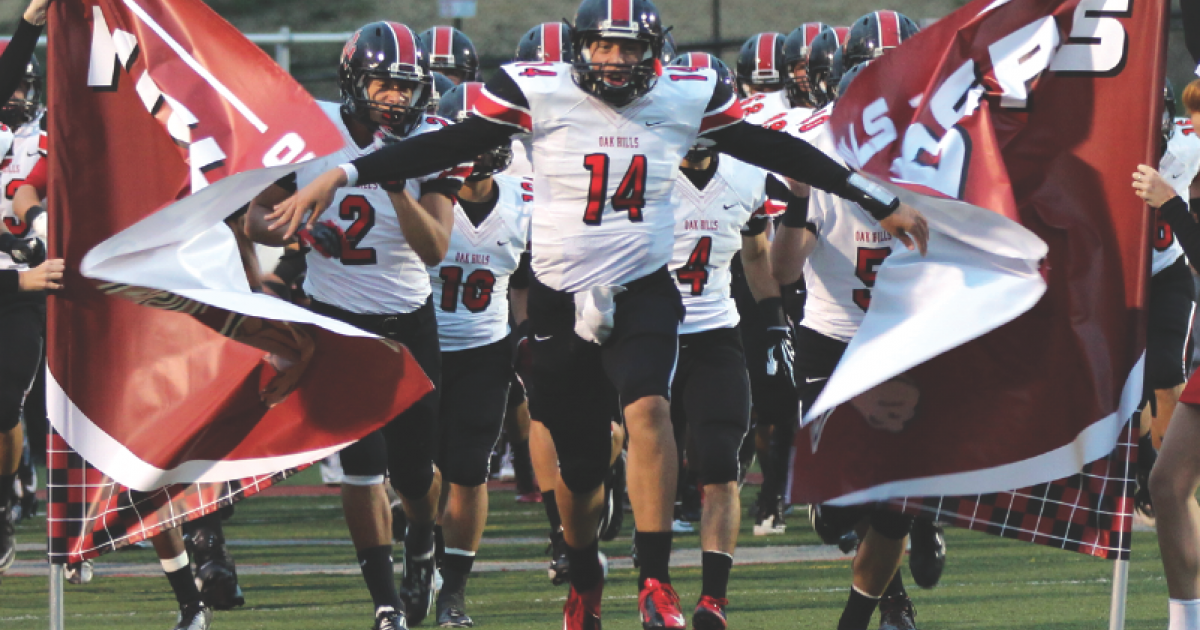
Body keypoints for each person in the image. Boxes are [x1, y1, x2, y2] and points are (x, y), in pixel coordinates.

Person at [269, 2, 928, 627]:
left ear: (652, 52)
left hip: (643, 285)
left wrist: (872, 197)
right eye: (603, 45)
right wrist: (344, 175)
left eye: (629, 46)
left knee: (649, 409)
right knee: (581, 472)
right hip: (561, 293)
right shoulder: (536, 87)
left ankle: (655, 579)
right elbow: (447, 145)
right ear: (580, 47)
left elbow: (773, 148)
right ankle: (585, 579)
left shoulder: (683, 92)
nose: (614, 59)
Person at [245, 21, 465, 630]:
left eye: (404, 87)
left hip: (408, 320)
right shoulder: (314, 130)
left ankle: (422, 537)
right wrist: (289, 226)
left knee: (416, 473)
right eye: (383, 85)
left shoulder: (431, 137)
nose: (396, 99)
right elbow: (256, 220)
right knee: (360, 464)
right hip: (335, 319)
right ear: (352, 81)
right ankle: (385, 602)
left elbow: (437, 246)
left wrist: (394, 188)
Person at [768, 16, 925, 628]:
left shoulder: (941, 162)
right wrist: (801, 198)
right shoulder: (819, 157)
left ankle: (861, 616)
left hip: (905, 345)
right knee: (845, 498)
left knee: (894, 505)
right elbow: (783, 271)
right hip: (832, 340)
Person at [666, 50, 788, 630]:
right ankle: (654, 581)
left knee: (719, 464)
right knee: (649, 467)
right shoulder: (642, 163)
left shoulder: (745, 171)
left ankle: (713, 598)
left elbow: (757, 254)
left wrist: (774, 321)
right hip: (647, 336)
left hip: (715, 328)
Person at [426, 81, 533, 627]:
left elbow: (542, 277)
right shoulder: (427, 193)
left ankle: (454, 592)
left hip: (485, 351)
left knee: (470, 472)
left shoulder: (522, 199)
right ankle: (421, 559)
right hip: (421, 348)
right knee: (418, 474)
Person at [1134, 76, 1200, 630]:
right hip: (1126, 286)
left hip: (1170, 278)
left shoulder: (1183, 153)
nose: (1191, 123)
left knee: (1164, 377)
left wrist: (1173, 204)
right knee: (1164, 483)